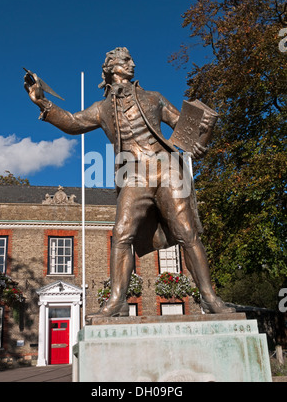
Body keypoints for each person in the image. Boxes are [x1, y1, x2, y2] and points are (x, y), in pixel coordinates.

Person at [24, 47, 234, 315]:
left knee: (187, 233)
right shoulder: (101, 109)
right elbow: (73, 122)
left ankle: (209, 297)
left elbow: (184, 126)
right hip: (133, 175)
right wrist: (42, 101)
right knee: (122, 234)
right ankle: (117, 301)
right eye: (126, 60)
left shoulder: (154, 97)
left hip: (167, 168)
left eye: (131, 59)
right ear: (111, 68)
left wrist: (201, 139)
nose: (133, 63)